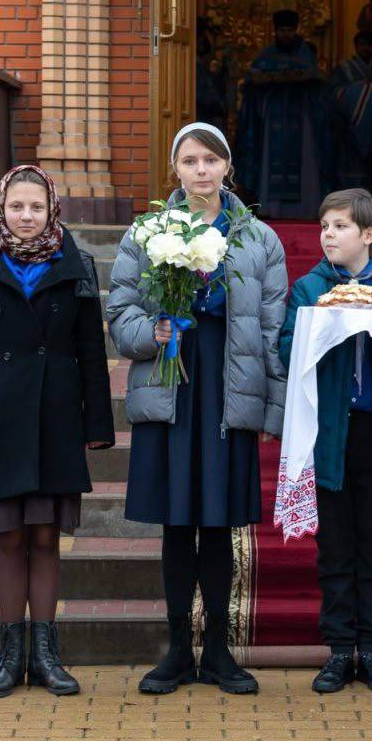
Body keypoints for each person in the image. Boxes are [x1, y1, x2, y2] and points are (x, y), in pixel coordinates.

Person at [106, 123, 288, 695]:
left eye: (211, 159)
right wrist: (150, 331)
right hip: (173, 386)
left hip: (227, 390)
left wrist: (272, 409)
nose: (201, 170)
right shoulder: (148, 232)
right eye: (190, 161)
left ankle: (218, 653)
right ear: (176, 170)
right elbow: (120, 311)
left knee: (218, 525)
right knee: (177, 523)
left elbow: (273, 326)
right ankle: (178, 651)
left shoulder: (259, 238)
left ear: (227, 167)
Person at [0, 164, 115, 699]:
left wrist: (97, 423)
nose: (27, 216)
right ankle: (10, 655)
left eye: (36, 207)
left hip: (55, 417)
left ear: (52, 208)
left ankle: (46, 653)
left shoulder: (76, 265)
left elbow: (91, 352)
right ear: (1, 208)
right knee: (10, 540)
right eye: (17, 206)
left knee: (46, 537)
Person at [279, 189, 372, 695]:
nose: (328, 235)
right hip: (332, 434)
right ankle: (338, 649)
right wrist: (325, 328)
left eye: (340, 227)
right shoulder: (310, 288)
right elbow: (287, 346)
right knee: (335, 545)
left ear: (369, 235)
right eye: (324, 227)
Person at [236, 9, 326, 218]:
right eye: (282, 31)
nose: (286, 35)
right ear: (276, 31)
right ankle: (272, 209)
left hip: (301, 119)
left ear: (295, 30)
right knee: (271, 161)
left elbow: (316, 81)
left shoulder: (305, 55)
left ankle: (305, 209)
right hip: (272, 119)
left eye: (289, 30)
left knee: (304, 161)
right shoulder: (266, 56)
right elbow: (252, 80)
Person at [328, 31, 372, 191]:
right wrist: (362, 91)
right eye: (362, 44)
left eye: (369, 45)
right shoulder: (344, 68)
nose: (366, 48)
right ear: (356, 47)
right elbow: (334, 92)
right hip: (347, 125)